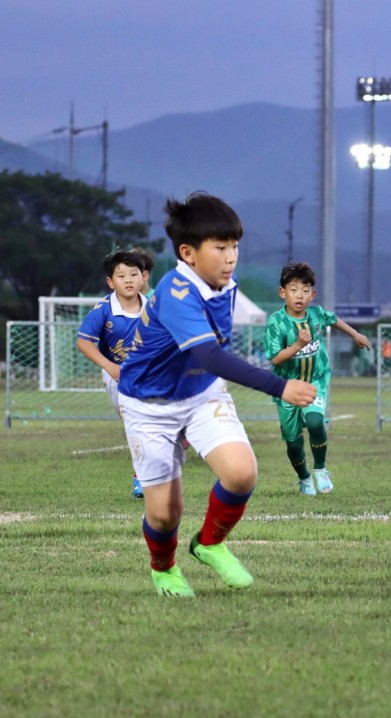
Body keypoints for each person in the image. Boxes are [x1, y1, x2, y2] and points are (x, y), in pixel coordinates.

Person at [117, 192, 318, 598]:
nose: (231, 257)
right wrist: (280, 386)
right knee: (163, 515)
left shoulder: (224, 283)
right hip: (147, 404)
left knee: (242, 473)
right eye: (221, 247)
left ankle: (209, 544)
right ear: (188, 253)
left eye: (235, 247)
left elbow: (209, 360)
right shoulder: (177, 292)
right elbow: (209, 354)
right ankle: (164, 568)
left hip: (200, 394)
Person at [263, 261, 372, 496]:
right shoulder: (276, 322)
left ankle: (320, 469)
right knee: (293, 442)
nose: (299, 295)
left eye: (305, 290)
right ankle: (303, 478)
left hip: (315, 380)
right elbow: (275, 359)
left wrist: (356, 334)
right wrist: (298, 345)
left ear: (312, 294)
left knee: (315, 422)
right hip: (287, 386)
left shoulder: (316, 314)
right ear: (283, 293)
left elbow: (334, 319)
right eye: (293, 290)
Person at [75, 249, 149, 498]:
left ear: (143, 277)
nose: (128, 280)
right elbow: (84, 342)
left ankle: (142, 477)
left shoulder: (155, 308)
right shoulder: (103, 310)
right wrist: (109, 366)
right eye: (121, 275)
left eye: (133, 274)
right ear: (110, 281)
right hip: (116, 376)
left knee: (144, 423)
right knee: (137, 423)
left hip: (148, 376)